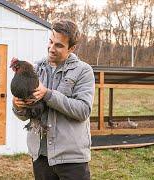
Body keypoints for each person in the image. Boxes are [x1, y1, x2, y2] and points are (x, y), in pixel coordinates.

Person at [12, 19, 95, 180]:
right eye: (50, 41)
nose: (51, 48)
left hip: (71, 158)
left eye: (59, 45)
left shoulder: (83, 71)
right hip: (41, 155)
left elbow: (83, 110)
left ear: (72, 48)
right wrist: (18, 106)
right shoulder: (35, 69)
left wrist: (48, 95)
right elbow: (24, 116)